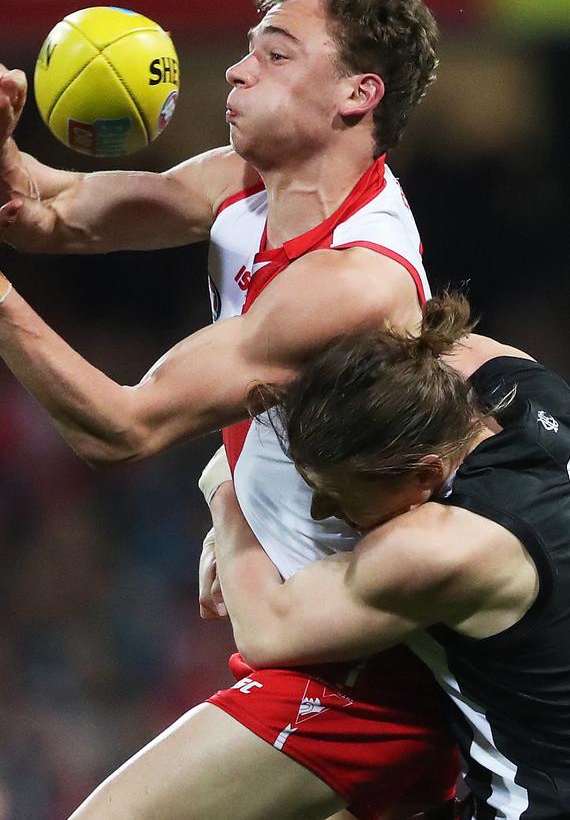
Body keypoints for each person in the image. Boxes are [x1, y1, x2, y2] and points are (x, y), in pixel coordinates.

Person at [0, 0, 457, 818]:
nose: (240, 69)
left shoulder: (356, 278)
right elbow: (53, 211)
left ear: (357, 95)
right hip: (315, 634)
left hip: (372, 676)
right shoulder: (250, 186)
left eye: (277, 55)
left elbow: (121, 429)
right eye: (249, 50)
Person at [210, 292, 570, 819]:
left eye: (339, 494)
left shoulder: (446, 547)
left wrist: (226, 491)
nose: (318, 510)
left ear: (424, 474)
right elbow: (418, 344)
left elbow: (267, 629)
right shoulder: (515, 382)